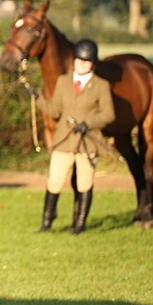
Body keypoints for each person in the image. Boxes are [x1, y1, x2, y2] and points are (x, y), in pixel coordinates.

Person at [29, 38, 115, 234]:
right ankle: (47, 222)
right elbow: (55, 111)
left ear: (92, 63)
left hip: (88, 142)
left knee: (84, 183)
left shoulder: (101, 85)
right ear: (74, 60)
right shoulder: (63, 81)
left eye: (85, 61)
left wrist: (89, 123)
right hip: (64, 140)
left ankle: (79, 224)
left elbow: (109, 114)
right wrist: (39, 99)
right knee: (55, 181)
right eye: (78, 60)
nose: (81, 64)